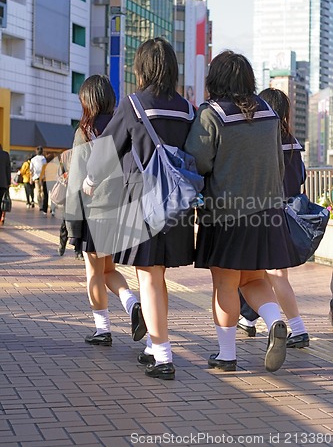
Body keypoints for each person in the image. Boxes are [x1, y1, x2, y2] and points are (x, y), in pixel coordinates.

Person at [82, 38, 196, 380]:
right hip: (176, 203)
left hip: (142, 203)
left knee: (148, 276)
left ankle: (163, 356)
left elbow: (108, 150)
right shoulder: (188, 108)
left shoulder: (134, 104)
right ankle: (152, 347)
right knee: (157, 278)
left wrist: (88, 182)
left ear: (142, 68)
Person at [184, 50, 302, 373]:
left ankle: (226, 355)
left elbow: (199, 161)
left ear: (215, 80)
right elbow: (279, 165)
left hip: (226, 215)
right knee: (254, 279)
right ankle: (275, 320)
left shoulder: (212, 114)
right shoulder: (268, 113)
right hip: (267, 212)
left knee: (225, 282)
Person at [66, 74, 147, 346]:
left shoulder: (85, 131)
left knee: (94, 272)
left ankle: (102, 329)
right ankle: (133, 303)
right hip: (122, 208)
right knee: (109, 268)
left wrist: (71, 227)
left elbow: (76, 181)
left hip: (94, 212)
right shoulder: (121, 125)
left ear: (87, 101)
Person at [237, 88, 309, 349]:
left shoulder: (264, 143)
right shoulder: (293, 143)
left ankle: (298, 329)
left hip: (267, 216)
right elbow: (299, 179)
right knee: (258, 273)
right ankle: (248, 319)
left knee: (274, 274)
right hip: (289, 216)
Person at [30, 146, 46, 210]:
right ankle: (42, 204)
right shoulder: (43, 158)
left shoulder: (33, 159)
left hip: (36, 177)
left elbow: (31, 170)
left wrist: (31, 178)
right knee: (42, 191)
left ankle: (40, 205)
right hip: (42, 177)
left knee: (38, 191)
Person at [0, 144, 11, 225]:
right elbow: (8, 169)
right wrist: (8, 183)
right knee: (1, 202)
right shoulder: (5, 155)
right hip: (2, 183)